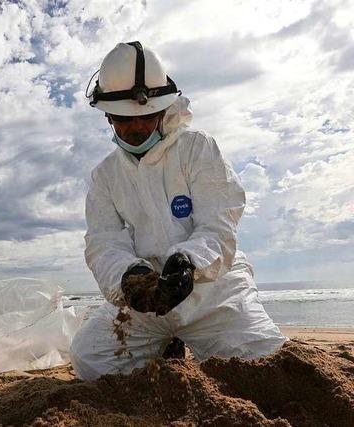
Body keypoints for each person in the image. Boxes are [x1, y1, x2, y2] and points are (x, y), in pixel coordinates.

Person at [70, 42, 286, 381]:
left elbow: (219, 223)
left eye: (145, 117)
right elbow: (103, 242)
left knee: (268, 365)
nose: (136, 128)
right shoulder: (105, 175)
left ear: (163, 110)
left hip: (212, 290)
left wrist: (188, 262)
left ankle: (186, 340)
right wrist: (129, 276)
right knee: (89, 360)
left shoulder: (197, 148)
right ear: (109, 116)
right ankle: (166, 347)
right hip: (146, 298)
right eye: (124, 120)